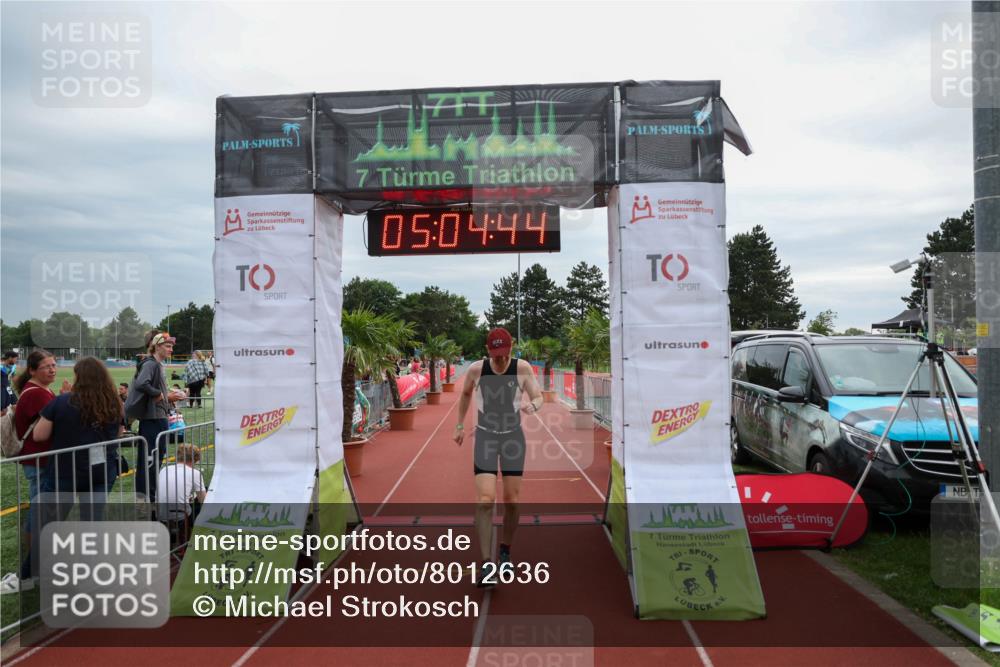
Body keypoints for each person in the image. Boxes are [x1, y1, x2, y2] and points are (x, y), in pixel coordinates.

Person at [453, 327, 543, 587]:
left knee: (512, 501)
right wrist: (459, 426)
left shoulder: (522, 368)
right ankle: (486, 564)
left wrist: (533, 405)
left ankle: (505, 550)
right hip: (485, 436)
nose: (501, 360)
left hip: (513, 437)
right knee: (484, 500)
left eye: (505, 354)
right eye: (496, 355)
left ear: (511, 348)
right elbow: (466, 394)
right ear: (488, 350)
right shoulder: (476, 369)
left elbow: (538, 396)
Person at [33, 357, 124, 523]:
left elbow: (39, 435)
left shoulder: (62, 401)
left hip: (66, 470)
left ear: (79, 377)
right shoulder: (115, 402)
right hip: (101, 470)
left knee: (50, 522)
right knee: (92, 521)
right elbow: (118, 433)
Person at [0, 350, 58, 594]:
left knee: (40, 512)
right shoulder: (36, 394)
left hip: (40, 461)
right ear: (33, 370)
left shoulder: (38, 392)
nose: (53, 369)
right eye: (47, 366)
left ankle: (35, 566)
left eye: (54, 365)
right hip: (39, 462)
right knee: (39, 514)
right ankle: (32, 570)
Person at [127, 331, 186, 501]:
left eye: (171, 347)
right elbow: (141, 383)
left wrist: (168, 394)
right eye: (167, 346)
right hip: (153, 419)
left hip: (158, 417)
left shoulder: (157, 365)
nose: (170, 350)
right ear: (157, 346)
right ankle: (146, 497)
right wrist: (162, 395)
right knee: (150, 460)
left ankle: (148, 495)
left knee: (154, 459)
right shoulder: (151, 364)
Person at [156, 443, 207, 523]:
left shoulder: (164, 469)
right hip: (181, 517)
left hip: (159, 514)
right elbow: (203, 500)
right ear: (195, 459)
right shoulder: (195, 473)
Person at [1, 350, 19, 416]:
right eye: (15, 358)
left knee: (16, 405)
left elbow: (14, 377)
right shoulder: (0, 367)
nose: (16, 360)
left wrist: (20, 387)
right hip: (1, 389)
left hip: (8, 389)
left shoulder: (13, 367)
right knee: (3, 411)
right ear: (10, 358)